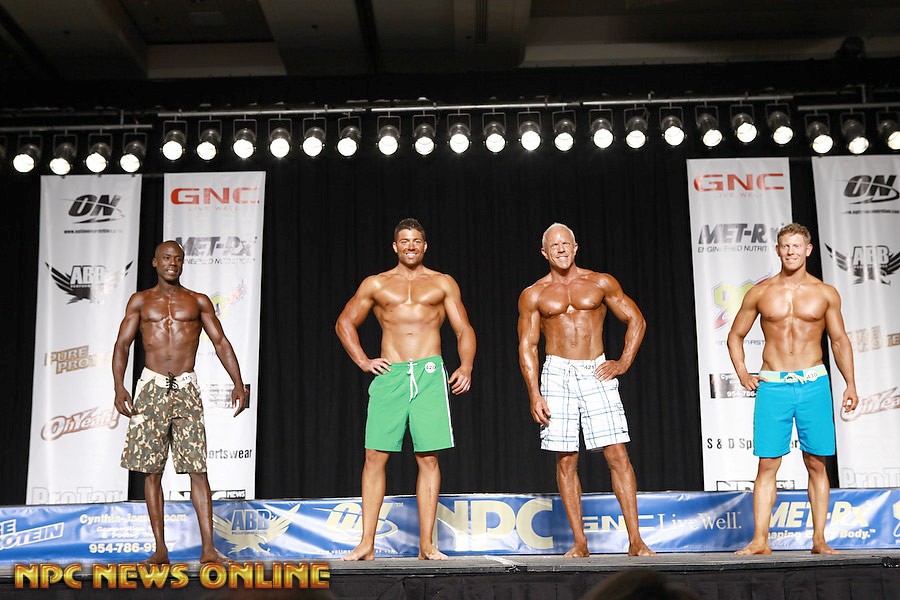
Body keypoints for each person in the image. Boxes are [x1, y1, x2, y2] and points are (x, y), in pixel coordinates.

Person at [336, 218, 476, 561]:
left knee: (428, 458)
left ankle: (427, 545)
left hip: (429, 373)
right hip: (391, 374)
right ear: (395, 246)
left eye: (416, 241)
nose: (410, 246)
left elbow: (463, 329)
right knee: (374, 457)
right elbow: (344, 322)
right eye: (404, 241)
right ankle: (366, 544)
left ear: (424, 246)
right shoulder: (376, 284)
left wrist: (466, 366)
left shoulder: (442, 283)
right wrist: (363, 360)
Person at [518, 223, 654, 557]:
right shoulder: (534, 294)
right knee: (566, 458)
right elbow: (527, 345)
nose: (561, 249)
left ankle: (636, 540)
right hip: (556, 372)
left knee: (617, 453)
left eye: (566, 243)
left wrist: (623, 362)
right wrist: (534, 393)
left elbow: (636, 320)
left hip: (596, 368)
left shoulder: (600, 282)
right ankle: (580, 543)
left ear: (576, 247)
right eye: (554, 245)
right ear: (544, 252)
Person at [113, 240, 249, 564]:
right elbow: (122, 345)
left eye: (177, 258)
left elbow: (220, 342)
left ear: (183, 263)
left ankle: (208, 549)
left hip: (186, 388)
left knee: (197, 469)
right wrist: (119, 387)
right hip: (150, 388)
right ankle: (160, 548)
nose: (172, 263)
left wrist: (238, 382)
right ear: (155, 262)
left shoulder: (197, 301)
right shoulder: (140, 301)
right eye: (166, 258)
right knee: (151, 471)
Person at [728, 223, 858, 555]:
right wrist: (742, 372)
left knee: (817, 463)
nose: (791, 252)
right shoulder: (760, 292)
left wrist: (850, 384)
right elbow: (735, 335)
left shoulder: (825, 293)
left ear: (808, 250)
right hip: (773, 386)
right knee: (767, 465)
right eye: (785, 246)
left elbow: (839, 340)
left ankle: (819, 539)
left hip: (814, 383)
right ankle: (760, 540)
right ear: (777, 250)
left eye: (797, 246)